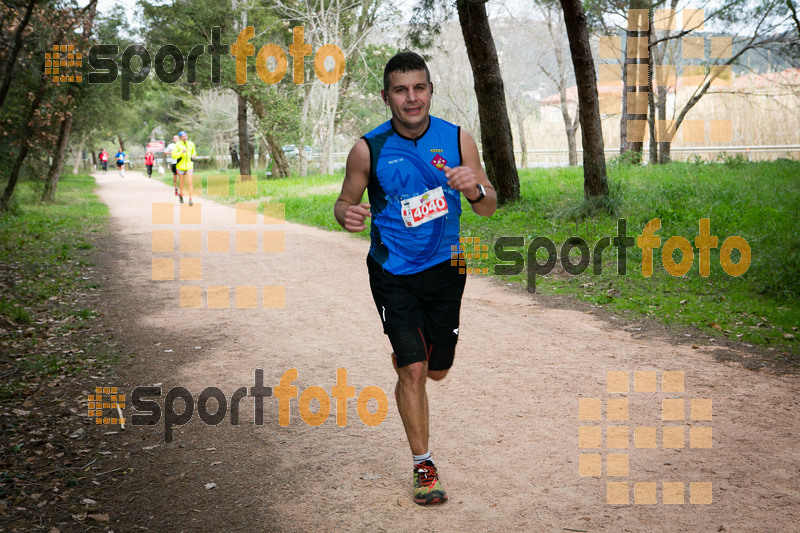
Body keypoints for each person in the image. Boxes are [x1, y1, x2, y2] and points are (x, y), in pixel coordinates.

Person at [333, 51, 497, 505]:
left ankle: (416, 357)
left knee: (439, 371)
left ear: (430, 91)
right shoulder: (368, 148)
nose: (411, 98)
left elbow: (489, 204)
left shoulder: (457, 138)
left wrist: (475, 188)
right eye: (401, 90)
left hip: (448, 270)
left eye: (419, 88)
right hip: (392, 273)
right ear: (386, 96)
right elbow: (343, 202)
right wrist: (346, 214)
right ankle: (424, 466)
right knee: (415, 370)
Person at [172, 130, 196, 206]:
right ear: (180, 138)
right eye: (182, 137)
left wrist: (193, 155)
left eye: (185, 136)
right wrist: (181, 152)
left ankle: (190, 199)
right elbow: (174, 156)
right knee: (181, 184)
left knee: (190, 182)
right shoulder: (177, 145)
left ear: (187, 136)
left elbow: (194, 152)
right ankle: (181, 194)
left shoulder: (191, 144)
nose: (184, 137)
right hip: (180, 167)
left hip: (189, 166)